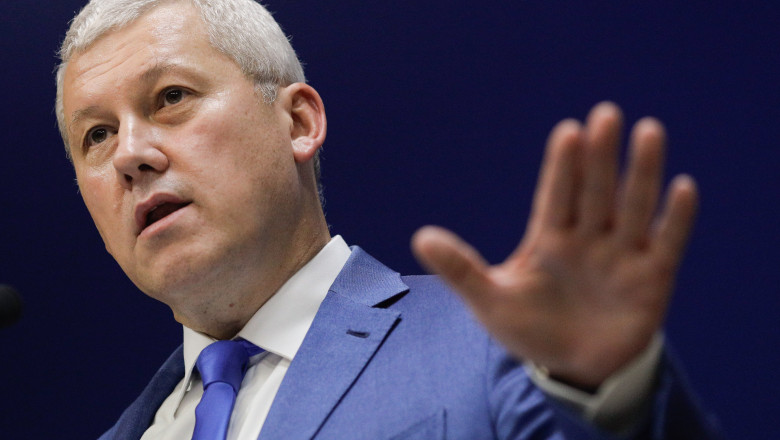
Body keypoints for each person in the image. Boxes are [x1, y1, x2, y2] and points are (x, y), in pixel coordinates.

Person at [56, 0, 724, 439]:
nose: (130, 155)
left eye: (170, 97)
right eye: (96, 136)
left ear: (298, 122)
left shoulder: (501, 345)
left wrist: (608, 392)